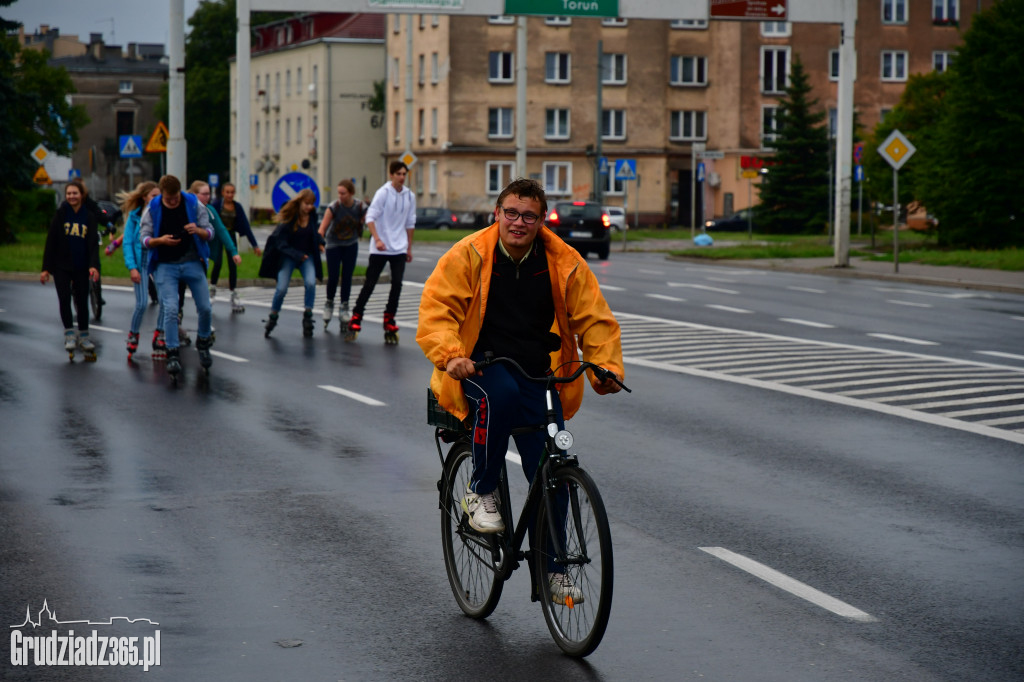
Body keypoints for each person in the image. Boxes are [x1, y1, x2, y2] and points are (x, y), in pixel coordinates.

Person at [417, 177, 624, 604]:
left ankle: (554, 571)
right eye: (511, 213)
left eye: (529, 215)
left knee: (555, 474)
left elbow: (595, 318)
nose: (518, 222)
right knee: (501, 395)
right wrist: (451, 353)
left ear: (541, 220)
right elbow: (437, 308)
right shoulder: (471, 252)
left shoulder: (562, 261)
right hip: (477, 364)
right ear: (498, 214)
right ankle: (481, 491)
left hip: (537, 371)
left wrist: (605, 367)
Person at [140, 174, 215, 376]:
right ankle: (172, 351)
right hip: (166, 265)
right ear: (162, 194)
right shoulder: (153, 208)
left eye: (176, 198)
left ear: (180, 192)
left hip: (191, 261)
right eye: (169, 199)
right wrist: (159, 241)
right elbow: (144, 239)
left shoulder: (192, 203)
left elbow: (210, 231)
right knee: (171, 309)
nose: (173, 202)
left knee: (206, 308)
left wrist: (198, 231)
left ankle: (204, 341)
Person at [346, 161, 416, 341]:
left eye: (404, 174)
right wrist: (377, 239)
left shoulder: (409, 196)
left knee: (397, 284)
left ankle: (389, 317)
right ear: (391, 175)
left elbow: (410, 223)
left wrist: (408, 247)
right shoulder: (383, 193)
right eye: (398, 174)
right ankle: (356, 316)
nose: (402, 177)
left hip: (399, 247)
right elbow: (370, 217)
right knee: (370, 283)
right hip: (380, 247)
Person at [40, 179, 101, 358]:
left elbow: (92, 245)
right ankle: (69, 334)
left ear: (81, 195)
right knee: (64, 299)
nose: (71, 196)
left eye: (75, 193)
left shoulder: (89, 216)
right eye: (69, 194)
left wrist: (93, 266)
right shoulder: (61, 214)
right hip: (61, 266)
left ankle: (83, 335)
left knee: (82, 300)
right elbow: (51, 241)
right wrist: (46, 268)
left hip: (82, 266)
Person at [258, 188, 324, 338]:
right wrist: (297, 255)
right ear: (300, 202)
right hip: (289, 256)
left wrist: (320, 243)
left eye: (312, 204)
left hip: (307, 256)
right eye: (306, 204)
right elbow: (280, 243)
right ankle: (273, 316)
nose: (309, 207)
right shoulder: (289, 219)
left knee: (311, 283)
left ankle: (308, 316)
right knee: (281, 289)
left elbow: (314, 233)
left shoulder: (312, 216)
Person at [118, 180, 160, 360]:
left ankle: (160, 333)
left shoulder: (162, 215)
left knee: (167, 301)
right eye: (153, 196)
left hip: (158, 262)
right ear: (144, 198)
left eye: (160, 196)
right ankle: (133, 334)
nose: (157, 199)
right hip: (141, 262)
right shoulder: (134, 217)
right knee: (142, 303)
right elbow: (127, 243)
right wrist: (132, 268)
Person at [317, 179, 366, 330]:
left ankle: (344, 306)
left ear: (351, 193)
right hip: (333, 244)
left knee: (347, 277)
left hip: (351, 244)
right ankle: (329, 303)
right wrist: (320, 243)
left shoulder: (360, 207)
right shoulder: (334, 207)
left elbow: (369, 221)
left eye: (343, 193)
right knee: (333, 276)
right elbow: (322, 229)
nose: (340, 196)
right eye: (338, 193)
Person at [210, 182, 260, 311]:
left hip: (230, 236)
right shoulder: (216, 205)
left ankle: (233, 293)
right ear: (222, 193)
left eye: (232, 192)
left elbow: (246, 227)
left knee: (233, 264)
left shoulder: (237, 207)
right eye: (227, 192)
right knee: (218, 263)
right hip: (218, 237)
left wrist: (254, 245)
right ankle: (212, 289)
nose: (230, 195)